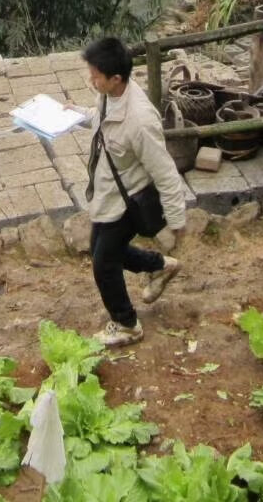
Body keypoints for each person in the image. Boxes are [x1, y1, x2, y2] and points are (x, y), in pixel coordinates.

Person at [81, 36, 187, 349]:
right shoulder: (110, 94)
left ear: (116, 78)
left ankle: (127, 324)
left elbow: (164, 170)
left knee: (103, 263)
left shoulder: (140, 120)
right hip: (109, 192)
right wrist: (74, 115)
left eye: (96, 75)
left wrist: (177, 219)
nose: (92, 79)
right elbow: (101, 119)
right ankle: (160, 266)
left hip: (129, 199)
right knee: (102, 248)